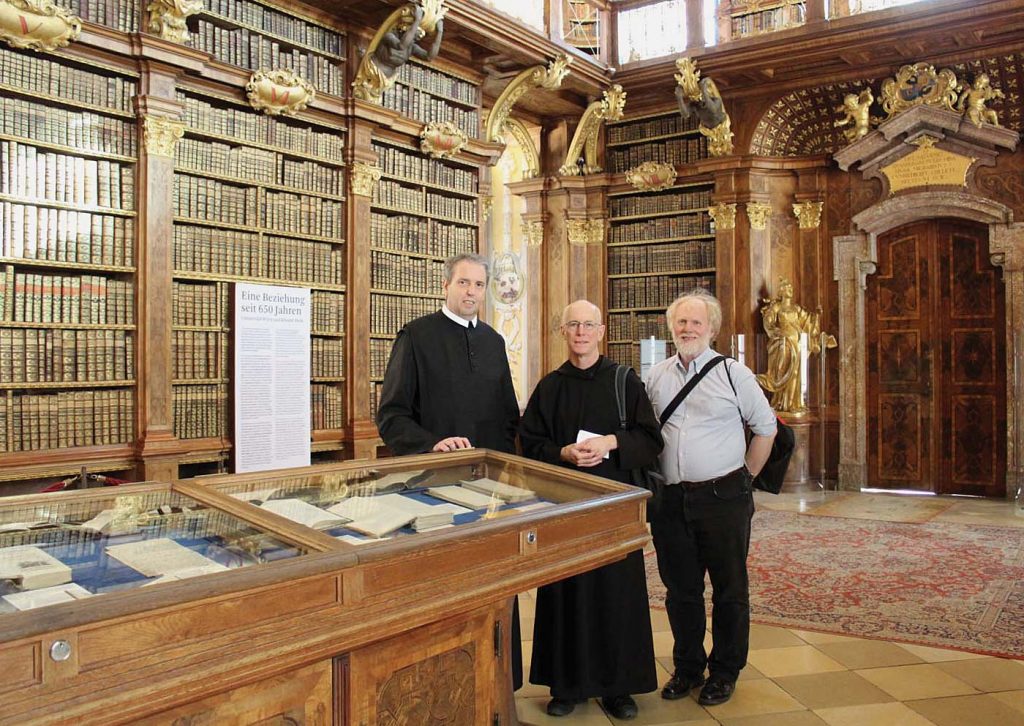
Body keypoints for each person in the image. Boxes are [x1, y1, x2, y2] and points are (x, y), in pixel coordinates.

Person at [375, 252, 523, 688]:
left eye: (479, 285)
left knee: (498, 589)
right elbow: (391, 415)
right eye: (463, 283)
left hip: (491, 493)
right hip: (434, 491)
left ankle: (499, 690)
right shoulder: (417, 336)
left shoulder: (495, 342)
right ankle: (447, 692)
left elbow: (508, 415)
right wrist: (431, 445)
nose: (471, 293)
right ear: (446, 286)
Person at [519, 300, 661, 720]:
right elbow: (530, 445)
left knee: (616, 594)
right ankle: (567, 685)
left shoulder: (624, 381)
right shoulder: (549, 386)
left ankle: (619, 687)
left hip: (613, 507)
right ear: (562, 332)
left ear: (601, 331)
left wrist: (609, 443)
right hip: (564, 508)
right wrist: (562, 451)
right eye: (573, 325)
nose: (580, 332)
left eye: (588, 325)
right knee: (565, 594)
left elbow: (651, 439)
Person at [646, 288, 777, 707]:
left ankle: (724, 672)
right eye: (681, 322)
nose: (687, 329)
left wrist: (746, 481)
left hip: (723, 498)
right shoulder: (656, 375)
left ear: (712, 329)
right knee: (680, 590)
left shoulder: (734, 374)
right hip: (671, 501)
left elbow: (766, 428)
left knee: (729, 590)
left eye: (696, 322)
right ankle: (687, 668)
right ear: (671, 327)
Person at [756, 278, 836, 414]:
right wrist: (778, 332)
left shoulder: (796, 308)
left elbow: (808, 322)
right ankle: (781, 401)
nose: (790, 290)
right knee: (783, 371)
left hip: (799, 344)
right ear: (781, 291)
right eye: (787, 288)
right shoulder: (776, 307)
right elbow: (768, 323)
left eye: (791, 288)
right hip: (784, 344)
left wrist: (816, 315)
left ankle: (794, 402)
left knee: (796, 373)